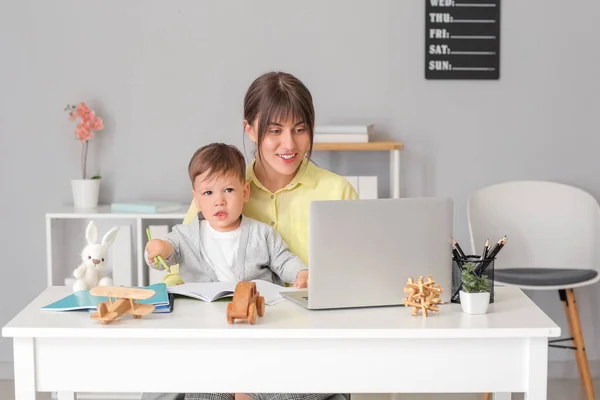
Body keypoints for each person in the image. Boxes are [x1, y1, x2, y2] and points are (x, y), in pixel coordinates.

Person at [147, 71, 356, 400]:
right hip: (221, 343)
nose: (289, 144)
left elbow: (353, 284)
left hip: (304, 347)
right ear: (249, 129)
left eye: (300, 130)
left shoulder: (337, 191)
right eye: (275, 131)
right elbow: (178, 271)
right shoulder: (220, 186)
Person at [145, 142, 309, 288]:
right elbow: (163, 256)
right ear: (197, 200)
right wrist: (160, 248)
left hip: (254, 307)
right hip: (202, 314)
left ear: (245, 193)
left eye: (228, 190)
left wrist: (301, 274)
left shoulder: (262, 234)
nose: (219, 201)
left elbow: (285, 260)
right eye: (208, 192)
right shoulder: (184, 236)